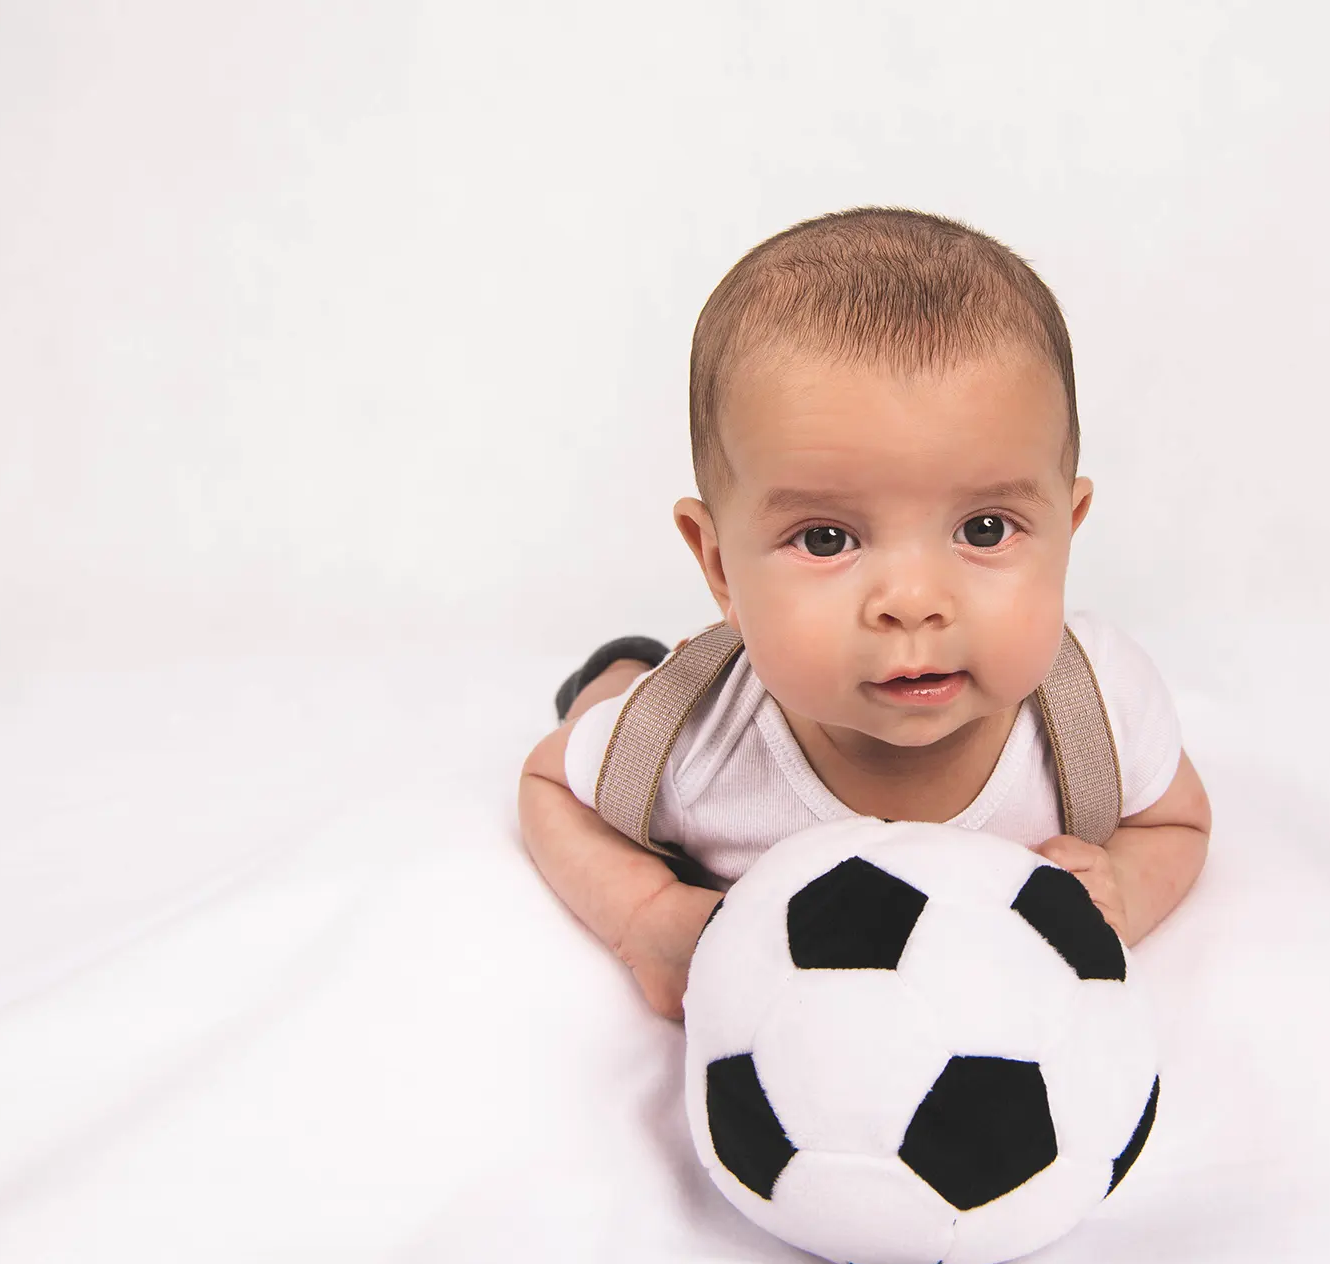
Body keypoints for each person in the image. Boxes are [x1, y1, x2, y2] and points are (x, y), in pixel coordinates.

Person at [518, 207, 1211, 1021]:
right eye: (825, 538)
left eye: (984, 529)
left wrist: (1125, 884)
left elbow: (1177, 823)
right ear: (719, 567)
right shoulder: (695, 742)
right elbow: (547, 786)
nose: (913, 602)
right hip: (685, 687)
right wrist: (646, 917)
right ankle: (619, 668)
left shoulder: (1098, 708)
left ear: (1067, 528)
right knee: (623, 706)